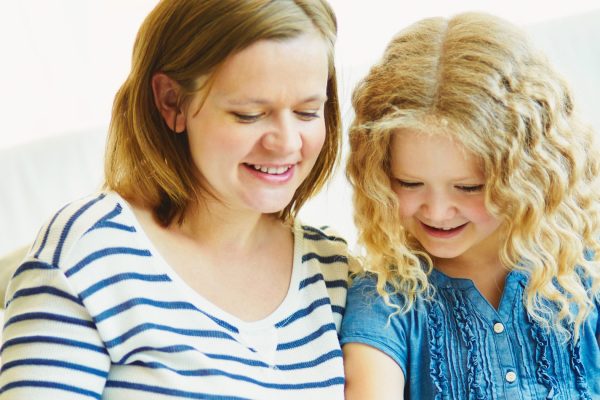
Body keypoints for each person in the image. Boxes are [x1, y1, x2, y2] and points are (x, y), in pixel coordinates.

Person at [0, 0, 354, 398]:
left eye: (307, 112)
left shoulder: (334, 270)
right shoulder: (91, 252)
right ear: (172, 102)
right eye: (249, 114)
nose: (287, 142)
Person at [340, 12, 600, 399]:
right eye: (410, 183)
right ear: (380, 175)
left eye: (469, 187)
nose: (438, 211)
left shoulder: (583, 277)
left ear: (527, 176)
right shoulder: (385, 303)